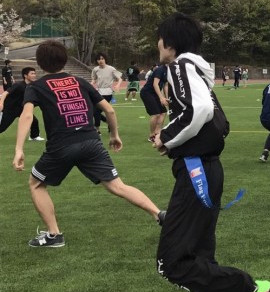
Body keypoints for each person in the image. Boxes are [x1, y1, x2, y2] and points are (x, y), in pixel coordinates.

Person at [153, 13, 270, 292]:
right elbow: (214, 117)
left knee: (172, 263)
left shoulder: (178, 66)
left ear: (170, 42)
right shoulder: (196, 69)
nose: (157, 45)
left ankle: (249, 288)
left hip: (197, 171)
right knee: (198, 261)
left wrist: (167, 138)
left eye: (159, 39)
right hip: (204, 169)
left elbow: (201, 110)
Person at [12, 40, 163, 248]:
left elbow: (27, 116)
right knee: (117, 186)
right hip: (91, 142)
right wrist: (114, 135)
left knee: (36, 184)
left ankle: (54, 235)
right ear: (65, 59)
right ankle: (159, 214)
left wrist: (19, 149)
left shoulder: (36, 87)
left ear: (39, 63)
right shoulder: (80, 82)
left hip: (62, 146)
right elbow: (109, 110)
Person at [0, 66, 45, 141]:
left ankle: (34, 136)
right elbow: (5, 93)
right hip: (10, 109)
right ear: (25, 75)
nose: (34, 75)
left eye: (34, 73)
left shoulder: (33, 86)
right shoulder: (18, 85)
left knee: (34, 121)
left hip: (22, 109)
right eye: (32, 74)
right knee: (1, 128)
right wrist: (1, 103)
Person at [91, 53, 122, 131]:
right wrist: (90, 85)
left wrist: (117, 85)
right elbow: (94, 79)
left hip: (108, 93)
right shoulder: (95, 69)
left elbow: (120, 78)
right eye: (98, 59)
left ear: (105, 59)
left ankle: (97, 129)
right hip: (99, 92)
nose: (100, 61)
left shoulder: (111, 69)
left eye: (102, 59)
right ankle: (108, 123)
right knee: (95, 111)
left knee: (97, 111)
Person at [140, 63, 169, 143]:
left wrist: (166, 98)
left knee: (163, 112)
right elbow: (155, 84)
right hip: (147, 92)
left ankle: (157, 133)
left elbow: (165, 85)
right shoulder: (160, 69)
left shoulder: (169, 70)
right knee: (156, 114)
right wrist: (161, 98)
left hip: (155, 93)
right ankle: (152, 135)